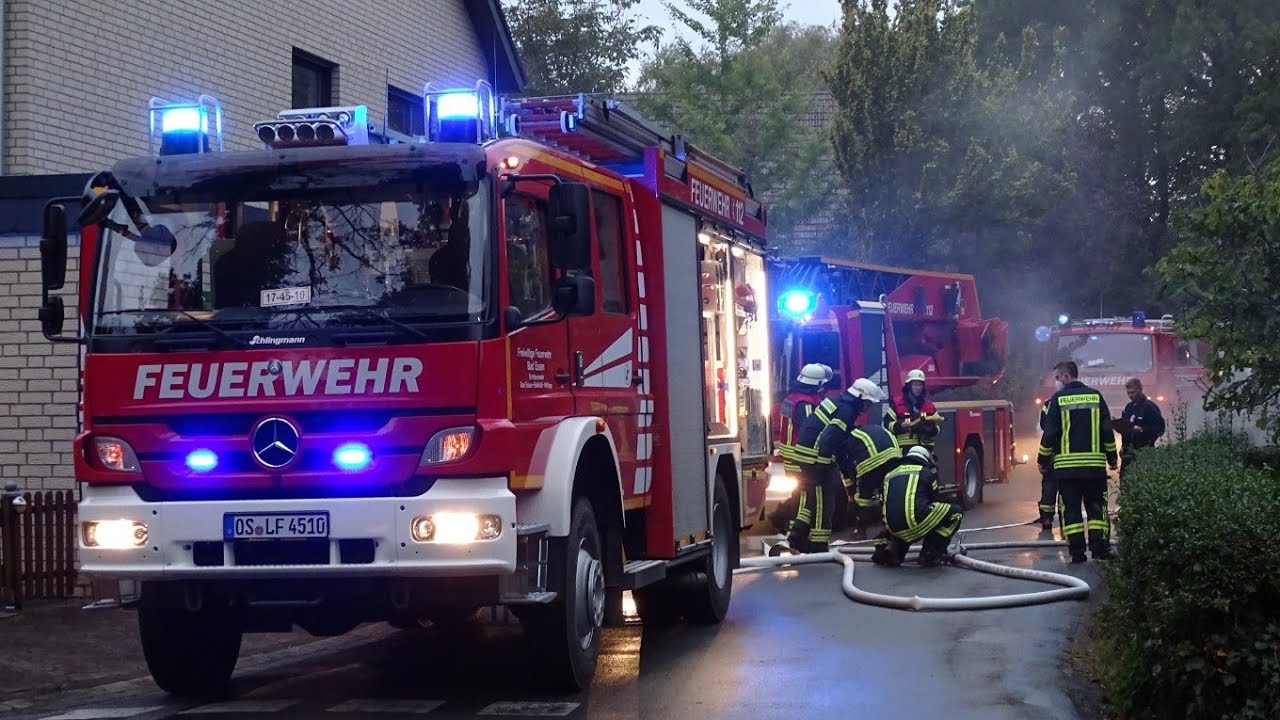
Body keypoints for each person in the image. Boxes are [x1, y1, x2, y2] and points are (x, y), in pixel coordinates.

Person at [775, 378, 881, 555]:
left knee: (811, 499)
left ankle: (797, 537)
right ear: (861, 398)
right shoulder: (846, 411)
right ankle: (818, 545)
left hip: (806, 454)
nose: (868, 407)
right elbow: (828, 439)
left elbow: (835, 442)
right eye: (868, 403)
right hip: (815, 458)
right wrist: (823, 466)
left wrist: (844, 474)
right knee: (824, 501)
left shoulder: (838, 403)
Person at [1037, 360, 1117, 563]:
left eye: (1057, 377)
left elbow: (1050, 433)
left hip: (1067, 471)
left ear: (1066, 376)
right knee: (1096, 508)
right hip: (1094, 469)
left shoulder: (1058, 400)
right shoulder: (1096, 396)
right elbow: (1107, 431)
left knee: (1071, 510)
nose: (1057, 381)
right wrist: (1112, 458)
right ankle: (1099, 549)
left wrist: (1042, 459)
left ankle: (1077, 552)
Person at [813, 391, 902, 539]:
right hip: (896, 457)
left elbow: (846, 470)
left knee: (864, 497)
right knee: (888, 493)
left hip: (873, 462)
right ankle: (891, 529)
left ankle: (860, 531)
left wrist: (852, 494)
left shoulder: (843, 442)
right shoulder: (867, 429)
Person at [870, 446, 964, 567]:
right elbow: (935, 500)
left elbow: (884, 504)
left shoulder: (889, 475)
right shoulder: (926, 473)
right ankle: (930, 553)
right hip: (915, 523)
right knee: (955, 513)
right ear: (925, 459)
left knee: (905, 519)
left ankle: (894, 554)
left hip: (894, 528)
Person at [768, 363, 834, 534]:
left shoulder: (791, 399)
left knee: (799, 493)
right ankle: (796, 530)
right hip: (801, 456)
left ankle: (791, 527)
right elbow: (810, 429)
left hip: (790, 455)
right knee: (805, 495)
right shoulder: (805, 404)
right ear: (816, 385)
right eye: (821, 385)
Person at [1117, 378, 1165, 481]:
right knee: (1125, 482)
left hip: (1144, 453)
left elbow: (1159, 428)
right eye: (1128, 393)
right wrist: (1122, 446)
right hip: (1128, 454)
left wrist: (1142, 430)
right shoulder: (1128, 407)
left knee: (1143, 481)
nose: (1130, 395)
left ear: (1140, 389)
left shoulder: (1150, 407)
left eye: (1133, 392)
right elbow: (1125, 429)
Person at [884, 369, 945, 451]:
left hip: (925, 449)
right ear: (909, 386)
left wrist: (932, 430)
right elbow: (887, 423)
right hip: (904, 450)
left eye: (920, 385)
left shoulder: (929, 406)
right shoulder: (898, 404)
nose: (918, 388)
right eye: (915, 384)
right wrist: (900, 425)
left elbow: (939, 424)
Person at [1036, 400, 1058, 530]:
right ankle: (1067, 517)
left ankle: (1046, 518)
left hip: (1053, 453)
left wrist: (1042, 460)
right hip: (1073, 452)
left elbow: (1045, 426)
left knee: (1049, 484)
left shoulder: (1050, 403)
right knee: (1068, 488)